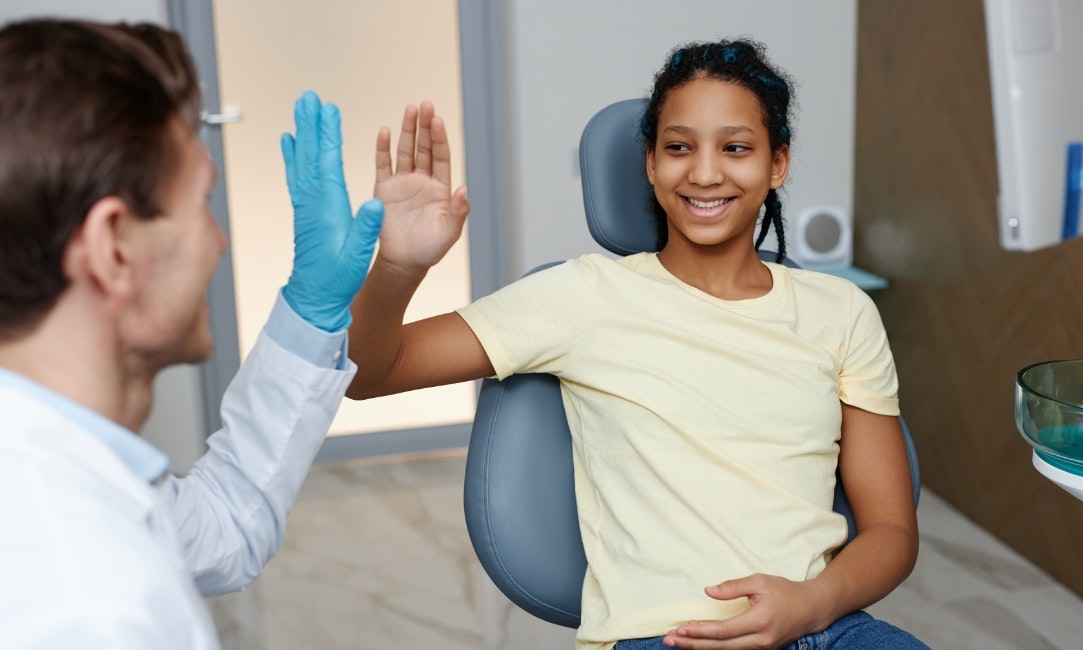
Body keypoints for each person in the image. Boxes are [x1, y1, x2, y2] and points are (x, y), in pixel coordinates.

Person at [343, 39, 928, 650]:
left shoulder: (842, 312)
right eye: (679, 147)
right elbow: (369, 373)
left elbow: (890, 528)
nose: (705, 172)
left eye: (735, 147)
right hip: (667, 637)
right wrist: (397, 267)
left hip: (831, 628)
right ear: (650, 164)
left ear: (777, 164)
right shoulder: (580, 296)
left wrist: (813, 603)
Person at [0, 19, 382, 649]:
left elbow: (225, 527)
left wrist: (312, 314)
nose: (219, 241)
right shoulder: (90, 609)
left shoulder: (52, 463)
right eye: (202, 204)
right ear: (112, 249)